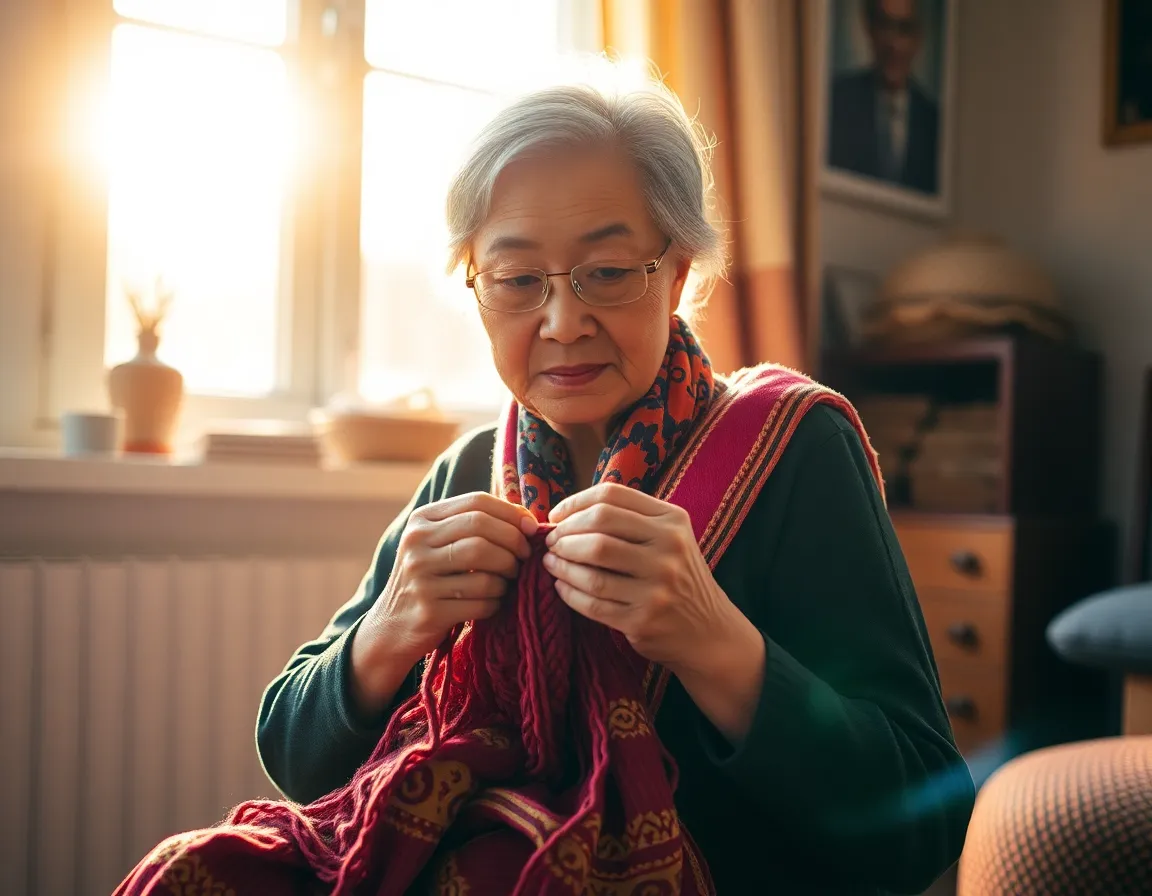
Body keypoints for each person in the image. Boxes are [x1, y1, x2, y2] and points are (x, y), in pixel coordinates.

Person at [116, 78, 973, 896]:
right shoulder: (469, 470)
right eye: (519, 281)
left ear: (675, 274)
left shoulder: (791, 451)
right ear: (478, 290)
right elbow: (296, 755)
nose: (563, 323)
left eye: (607, 272)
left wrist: (716, 643)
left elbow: (921, 827)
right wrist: (387, 631)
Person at [828, 0, 941, 194]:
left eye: (904, 29)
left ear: (918, 37)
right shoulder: (838, 101)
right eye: (885, 26)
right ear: (870, 29)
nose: (893, 44)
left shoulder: (933, 122)